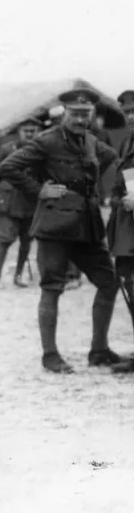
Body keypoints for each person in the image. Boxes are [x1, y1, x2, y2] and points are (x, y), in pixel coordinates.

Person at [0, 88, 122, 374]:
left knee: (108, 281)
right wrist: (39, 190)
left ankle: (99, 350)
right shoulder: (46, 141)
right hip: (55, 226)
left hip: (87, 225)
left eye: (85, 115)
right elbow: (8, 167)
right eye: (75, 114)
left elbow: (115, 158)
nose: (80, 120)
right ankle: (50, 355)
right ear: (64, 113)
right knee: (52, 287)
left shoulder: (91, 141)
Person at [0, 116, 43, 288]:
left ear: (38, 132)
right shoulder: (7, 149)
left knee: (27, 241)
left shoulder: (42, 151)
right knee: (5, 240)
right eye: (25, 131)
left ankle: (18, 276)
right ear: (19, 132)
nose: (29, 134)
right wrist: (5, 189)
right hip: (10, 201)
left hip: (30, 202)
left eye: (33, 131)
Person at [107, 90, 134, 373]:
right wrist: (117, 200)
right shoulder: (127, 144)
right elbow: (118, 187)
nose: (132, 117)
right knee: (131, 289)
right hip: (128, 232)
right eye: (127, 113)